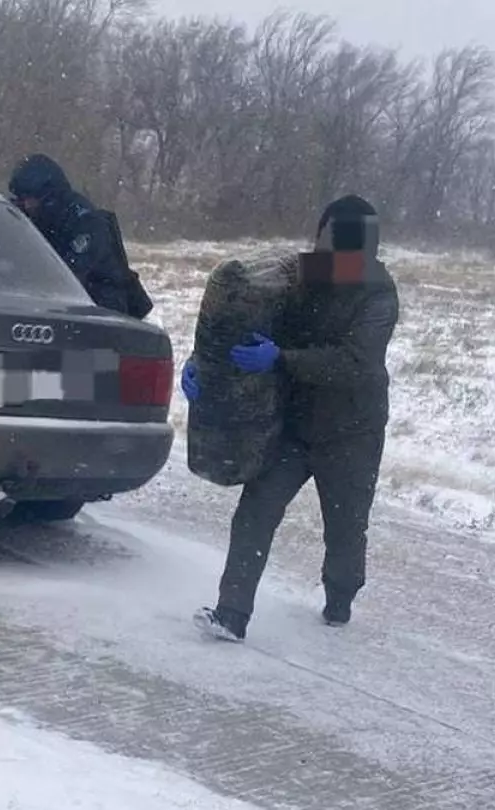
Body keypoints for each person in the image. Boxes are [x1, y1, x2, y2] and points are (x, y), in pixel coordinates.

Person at [182, 195, 398, 642]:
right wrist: (202, 363)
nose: (331, 249)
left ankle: (339, 600)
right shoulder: (300, 276)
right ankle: (231, 613)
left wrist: (282, 358)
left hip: (351, 432)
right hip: (295, 426)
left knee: (344, 527)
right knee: (254, 514)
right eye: (327, 237)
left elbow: (355, 363)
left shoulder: (377, 291)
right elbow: (244, 317)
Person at [8, 153, 152, 319]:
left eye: (30, 200)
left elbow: (69, 273)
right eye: (21, 200)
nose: (26, 206)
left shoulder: (84, 222)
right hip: (61, 308)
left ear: (48, 196)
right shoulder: (40, 218)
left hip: (102, 309)